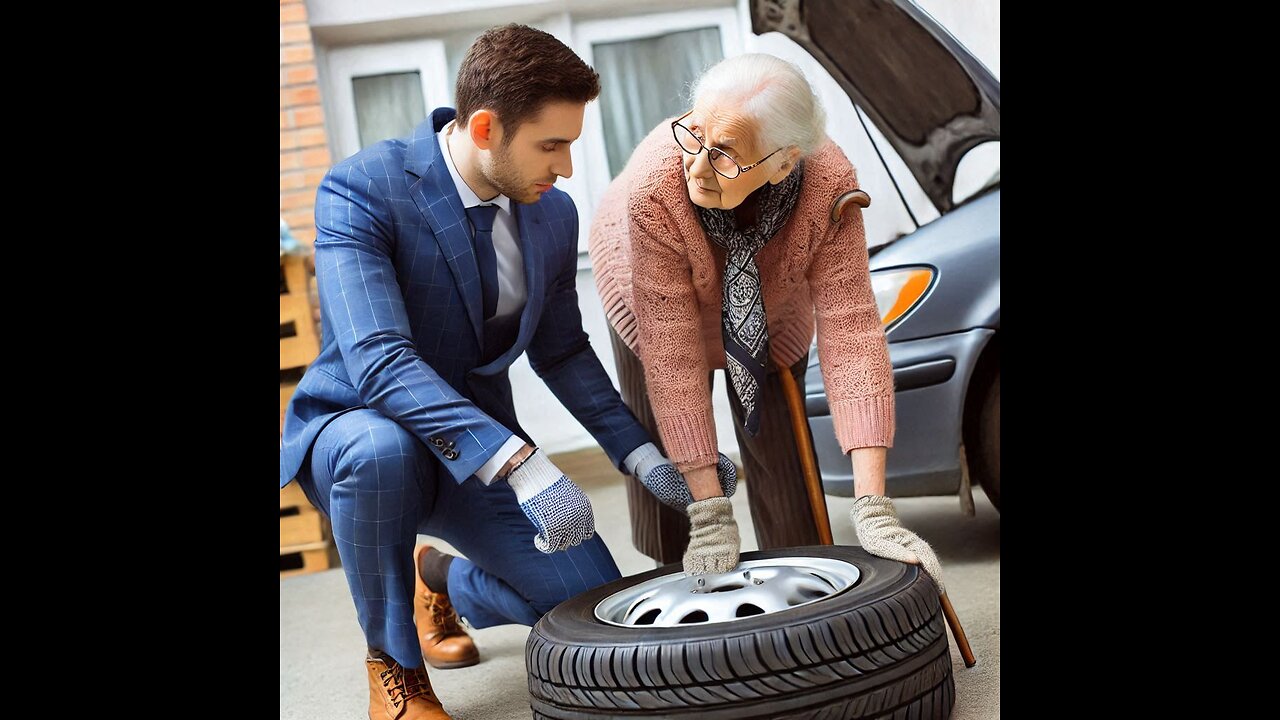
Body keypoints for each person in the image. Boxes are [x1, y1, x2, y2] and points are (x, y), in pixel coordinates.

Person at [278, 25, 732, 720]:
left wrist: (641, 457)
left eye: (571, 144)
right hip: (363, 436)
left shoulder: (550, 214)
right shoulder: (361, 190)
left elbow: (561, 352)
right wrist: (524, 465)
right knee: (381, 449)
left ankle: (444, 583)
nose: (567, 167)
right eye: (552, 145)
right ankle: (394, 668)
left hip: (475, 457)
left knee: (590, 607)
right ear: (486, 127)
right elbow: (377, 357)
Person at [588, 53, 945, 588]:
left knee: (788, 480)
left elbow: (853, 333)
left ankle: (800, 592)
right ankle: (671, 591)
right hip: (648, 298)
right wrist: (709, 512)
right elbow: (673, 356)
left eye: (726, 154)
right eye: (695, 135)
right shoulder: (655, 188)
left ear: (784, 161)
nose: (698, 166)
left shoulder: (829, 185)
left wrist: (875, 507)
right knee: (666, 486)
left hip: (773, 310)